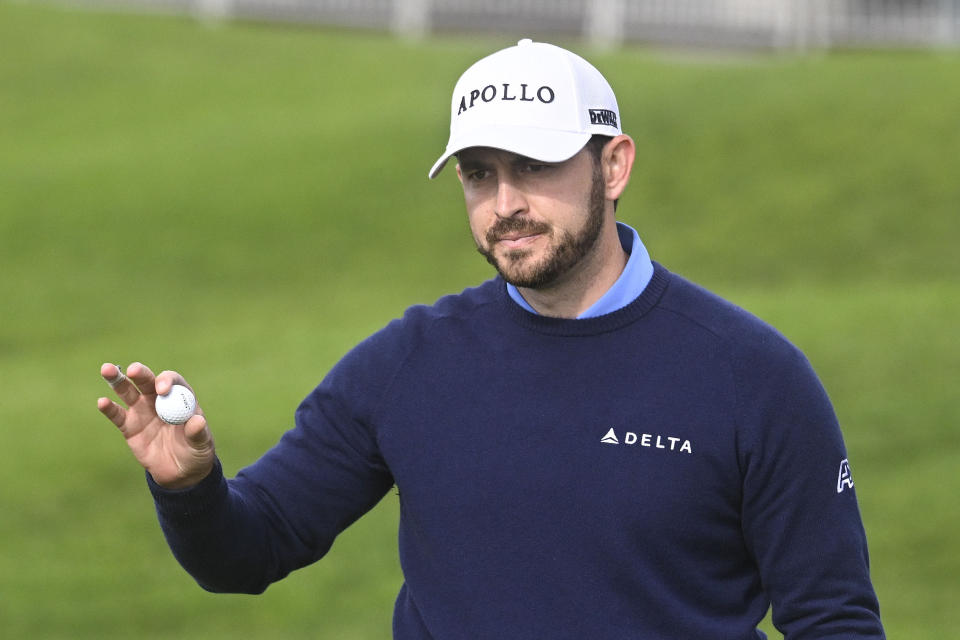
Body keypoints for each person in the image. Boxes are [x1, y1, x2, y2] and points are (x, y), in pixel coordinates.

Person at [97, 39, 885, 638]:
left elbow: (834, 621)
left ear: (613, 166)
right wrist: (189, 488)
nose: (504, 202)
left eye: (533, 165)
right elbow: (250, 552)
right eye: (478, 173)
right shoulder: (407, 363)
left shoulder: (754, 377)